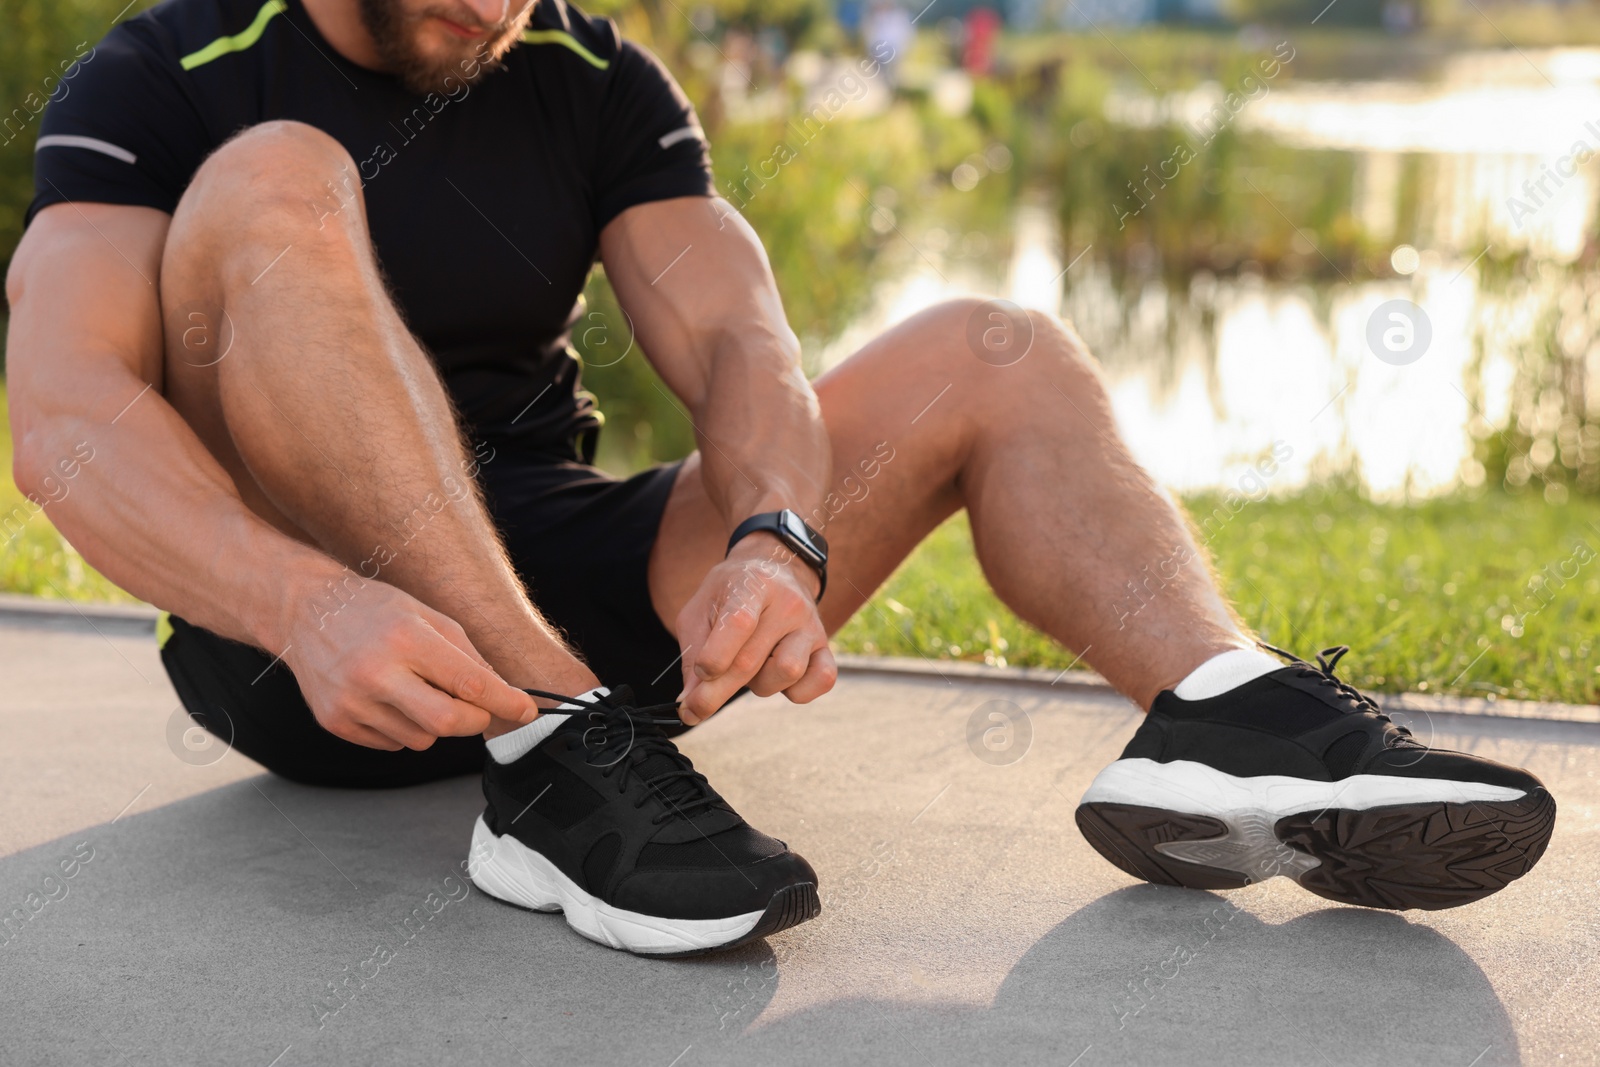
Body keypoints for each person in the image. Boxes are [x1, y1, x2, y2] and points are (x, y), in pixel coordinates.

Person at [6, 0, 1554, 957]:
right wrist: (302, 602)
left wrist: (773, 533)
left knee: (991, 347)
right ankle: (549, 758)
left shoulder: (591, 78)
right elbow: (63, 413)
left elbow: (741, 337)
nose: (498, 2)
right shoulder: (164, 72)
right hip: (314, 647)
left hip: (573, 596)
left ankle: (1221, 716)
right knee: (281, 173)